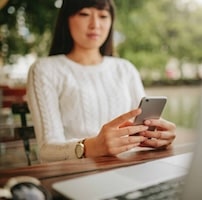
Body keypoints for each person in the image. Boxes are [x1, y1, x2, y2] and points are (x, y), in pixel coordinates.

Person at [26, 0, 176, 162]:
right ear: (66, 19)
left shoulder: (125, 69)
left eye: (103, 16)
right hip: (75, 173)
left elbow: (143, 126)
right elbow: (46, 150)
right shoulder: (44, 70)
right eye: (84, 14)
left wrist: (158, 137)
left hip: (128, 165)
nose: (95, 24)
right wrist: (91, 147)